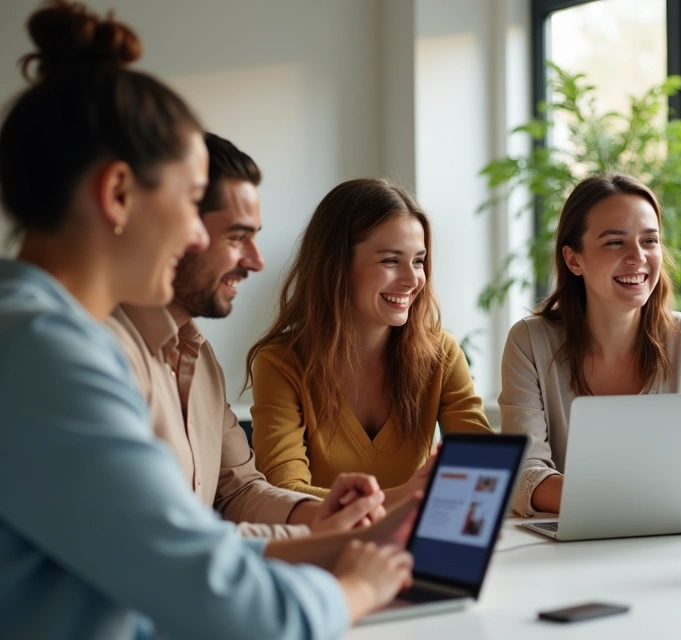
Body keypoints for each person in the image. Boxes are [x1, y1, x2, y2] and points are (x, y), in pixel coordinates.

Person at [0, 2, 418, 637]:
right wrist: (354, 590)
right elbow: (230, 605)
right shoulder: (41, 349)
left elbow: (184, 549)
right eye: (194, 201)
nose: (197, 233)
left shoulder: (45, 335)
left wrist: (356, 540)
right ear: (117, 194)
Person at [107, 132, 389, 538]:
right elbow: (159, 539)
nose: (256, 261)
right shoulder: (104, 353)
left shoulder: (199, 357)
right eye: (237, 237)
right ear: (174, 230)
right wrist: (328, 541)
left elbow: (237, 490)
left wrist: (323, 513)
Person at [248, 178, 491, 499]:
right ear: (336, 266)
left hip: (413, 543)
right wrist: (410, 497)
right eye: (391, 260)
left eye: (418, 261)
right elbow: (285, 493)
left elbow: (484, 472)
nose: (412, 279)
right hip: (325, 546)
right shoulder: (281, 362)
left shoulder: (442, 354)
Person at [499, 173, 681, 516]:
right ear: (574, 260)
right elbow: (523, 477)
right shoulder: (530, 342)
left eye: (649, 241)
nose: (638, 257)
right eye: (615, 242)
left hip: (672, 539)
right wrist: (633, 498)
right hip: (568, 547)